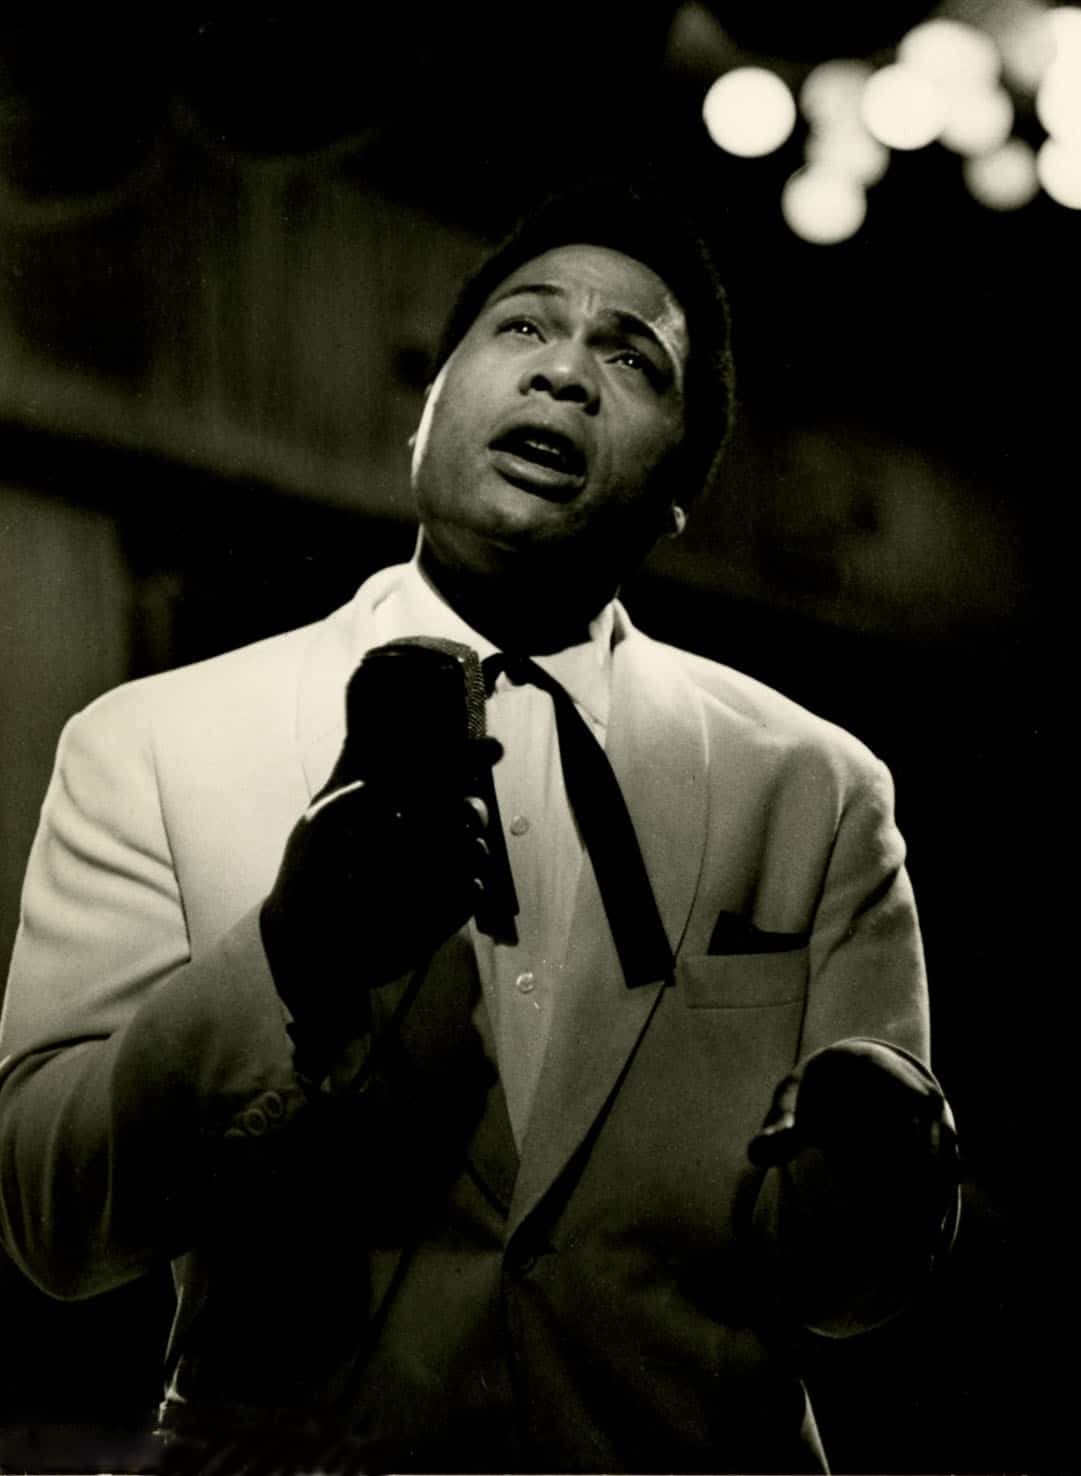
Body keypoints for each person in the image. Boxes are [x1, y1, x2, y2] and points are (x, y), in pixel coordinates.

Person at [0, 185, 958, 1475]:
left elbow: (849, 1292)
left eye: (632, 359)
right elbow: (52, 1220)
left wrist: (886, 1167)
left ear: (680, 494)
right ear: (429, 409)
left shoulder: (819, 791)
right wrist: (282, 959)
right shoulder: (149, 743)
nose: (566, 372)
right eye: (523, 326)